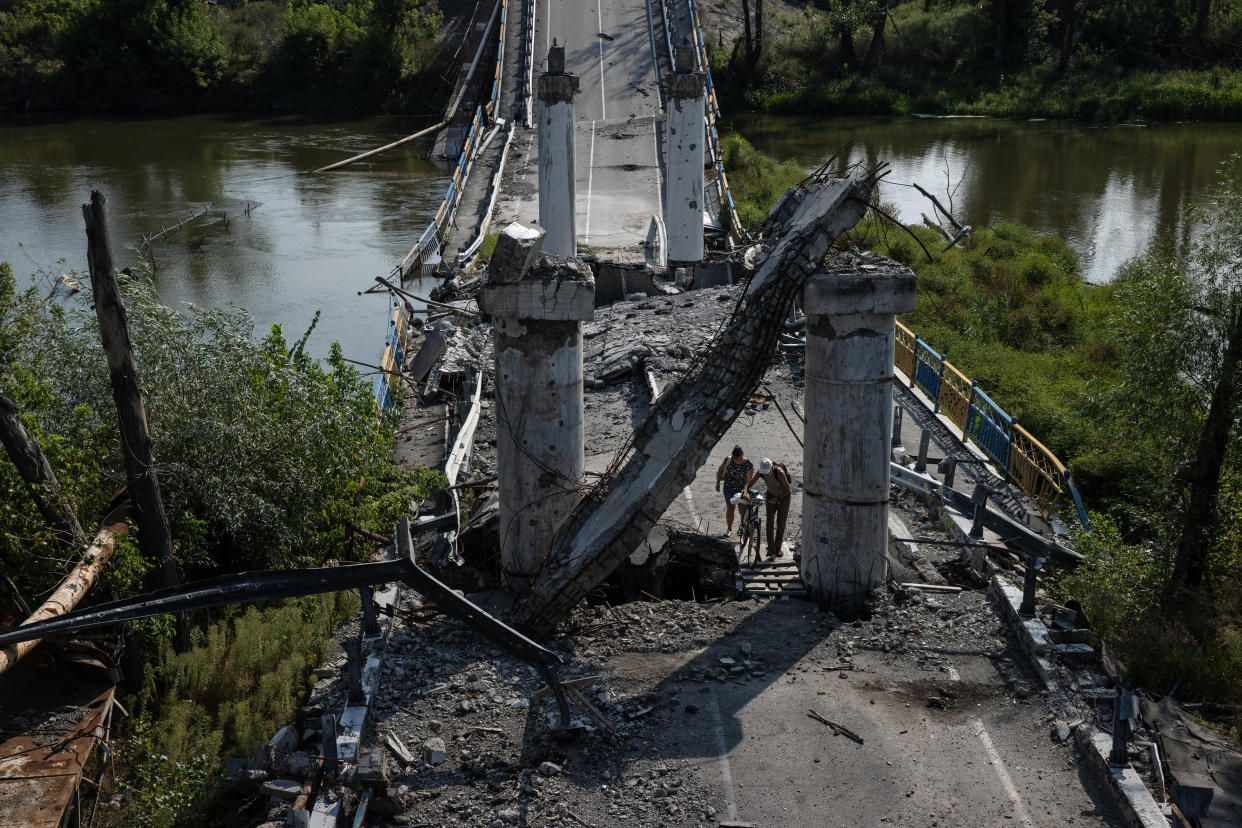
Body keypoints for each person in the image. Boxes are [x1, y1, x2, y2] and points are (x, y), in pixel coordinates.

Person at [749, 458, 792, 559]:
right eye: (764, 473)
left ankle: (778, 549)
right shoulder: (761, 472)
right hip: (770, 495)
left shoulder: (780, 472)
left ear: (772, 467)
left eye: (768, 472)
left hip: (784, 497)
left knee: (781, 523)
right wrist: (745, 490)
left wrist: (777, 498)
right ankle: (771, 549)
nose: (766, 475)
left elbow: (787, 488)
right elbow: (751, 482)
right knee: (769, 522)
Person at [715, 445, 753, 538]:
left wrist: (745, 491)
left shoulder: (748, 465)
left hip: (741, 489)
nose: (736, 460)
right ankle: (729, 529)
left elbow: (748, 480)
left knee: (742, 510)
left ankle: (742, 527)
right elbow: (721, 470)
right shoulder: (728, 460)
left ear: (742, 455)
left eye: (738, 458)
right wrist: (718, 482)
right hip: (729, 488)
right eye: (735, 458)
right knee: (730, 509)